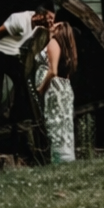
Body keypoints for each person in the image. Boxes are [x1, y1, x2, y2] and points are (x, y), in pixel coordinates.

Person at [0, 10, 53, 127]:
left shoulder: (36, 24)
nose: (51, 21)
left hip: (11, 55)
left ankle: (15, 117)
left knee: (22, 84)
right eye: (50, 18)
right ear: (40, 15)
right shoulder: (20, 20)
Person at [35, 20, 78, 164]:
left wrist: (41, 88)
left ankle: (60, 161)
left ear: (60, 29)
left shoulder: (54, 43)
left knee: (56, 126)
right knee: (63, 128)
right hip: (63, 91)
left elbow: (53, 71)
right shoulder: (67, 47)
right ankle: (66, 159)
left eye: (55, 24)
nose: (51, 26)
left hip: (54, 92)